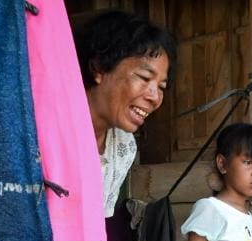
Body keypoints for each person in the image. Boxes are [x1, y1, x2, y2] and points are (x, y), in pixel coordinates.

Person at [74, 12, 176, 219]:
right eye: (144, 77)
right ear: (99, 68)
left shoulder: (123, 147)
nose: (155, 97)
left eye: (161, 86)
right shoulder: (45, 126)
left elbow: (96, 223)